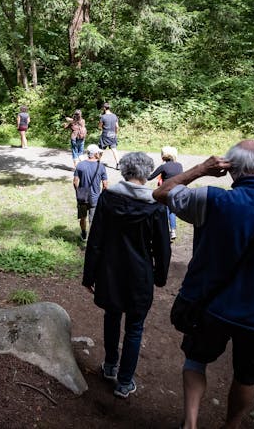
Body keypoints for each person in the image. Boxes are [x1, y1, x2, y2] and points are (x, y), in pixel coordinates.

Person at [152, 140, 254, 429]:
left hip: (208, 307)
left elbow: (161, 192)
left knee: (196, 359)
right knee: (247, 376)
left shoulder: (210, 199)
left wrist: (201, 169)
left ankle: (190, 423)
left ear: (231, 170)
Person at [82, 152, 172, 399]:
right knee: (134, 327)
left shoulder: (108, 198)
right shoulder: (155, 206)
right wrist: (160, 276)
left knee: (111, 316)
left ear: (125, 171)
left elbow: (96, 239)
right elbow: (163, 247)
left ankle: (110, 365)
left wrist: (89, 275)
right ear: (147, 173)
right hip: (140, 275)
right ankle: (124, 382)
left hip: (110, 271)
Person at [73, 144, 107, 241]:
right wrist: (101, 195)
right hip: (95, 198)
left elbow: (75, 181)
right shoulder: (101, 167)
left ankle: (84, 234)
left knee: (83, 217)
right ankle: (92, 239)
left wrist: (78, 191)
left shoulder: (80, 165)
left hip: (82, 197)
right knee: (93, 219)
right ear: (95, 153)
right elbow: (105, 185)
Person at [149, 146, 184, 240]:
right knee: (171, 211)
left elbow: (150, 177)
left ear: (163, 156)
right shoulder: (179, 165)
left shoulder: (163, 166)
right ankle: (173, 231)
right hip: (177, 191)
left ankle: (161, 230)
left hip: (165, 191)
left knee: (162, 210)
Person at [98, 102, 119, 169]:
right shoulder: (114, 116)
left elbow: (99, 126)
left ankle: (97, 162)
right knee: (114, 149)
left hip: (105, 135)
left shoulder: (103, 117)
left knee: (101, 149)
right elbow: (117, 126)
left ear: (104, 108)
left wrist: (101, 128)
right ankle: (118, 163)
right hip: (113, 134)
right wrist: (115, 133)